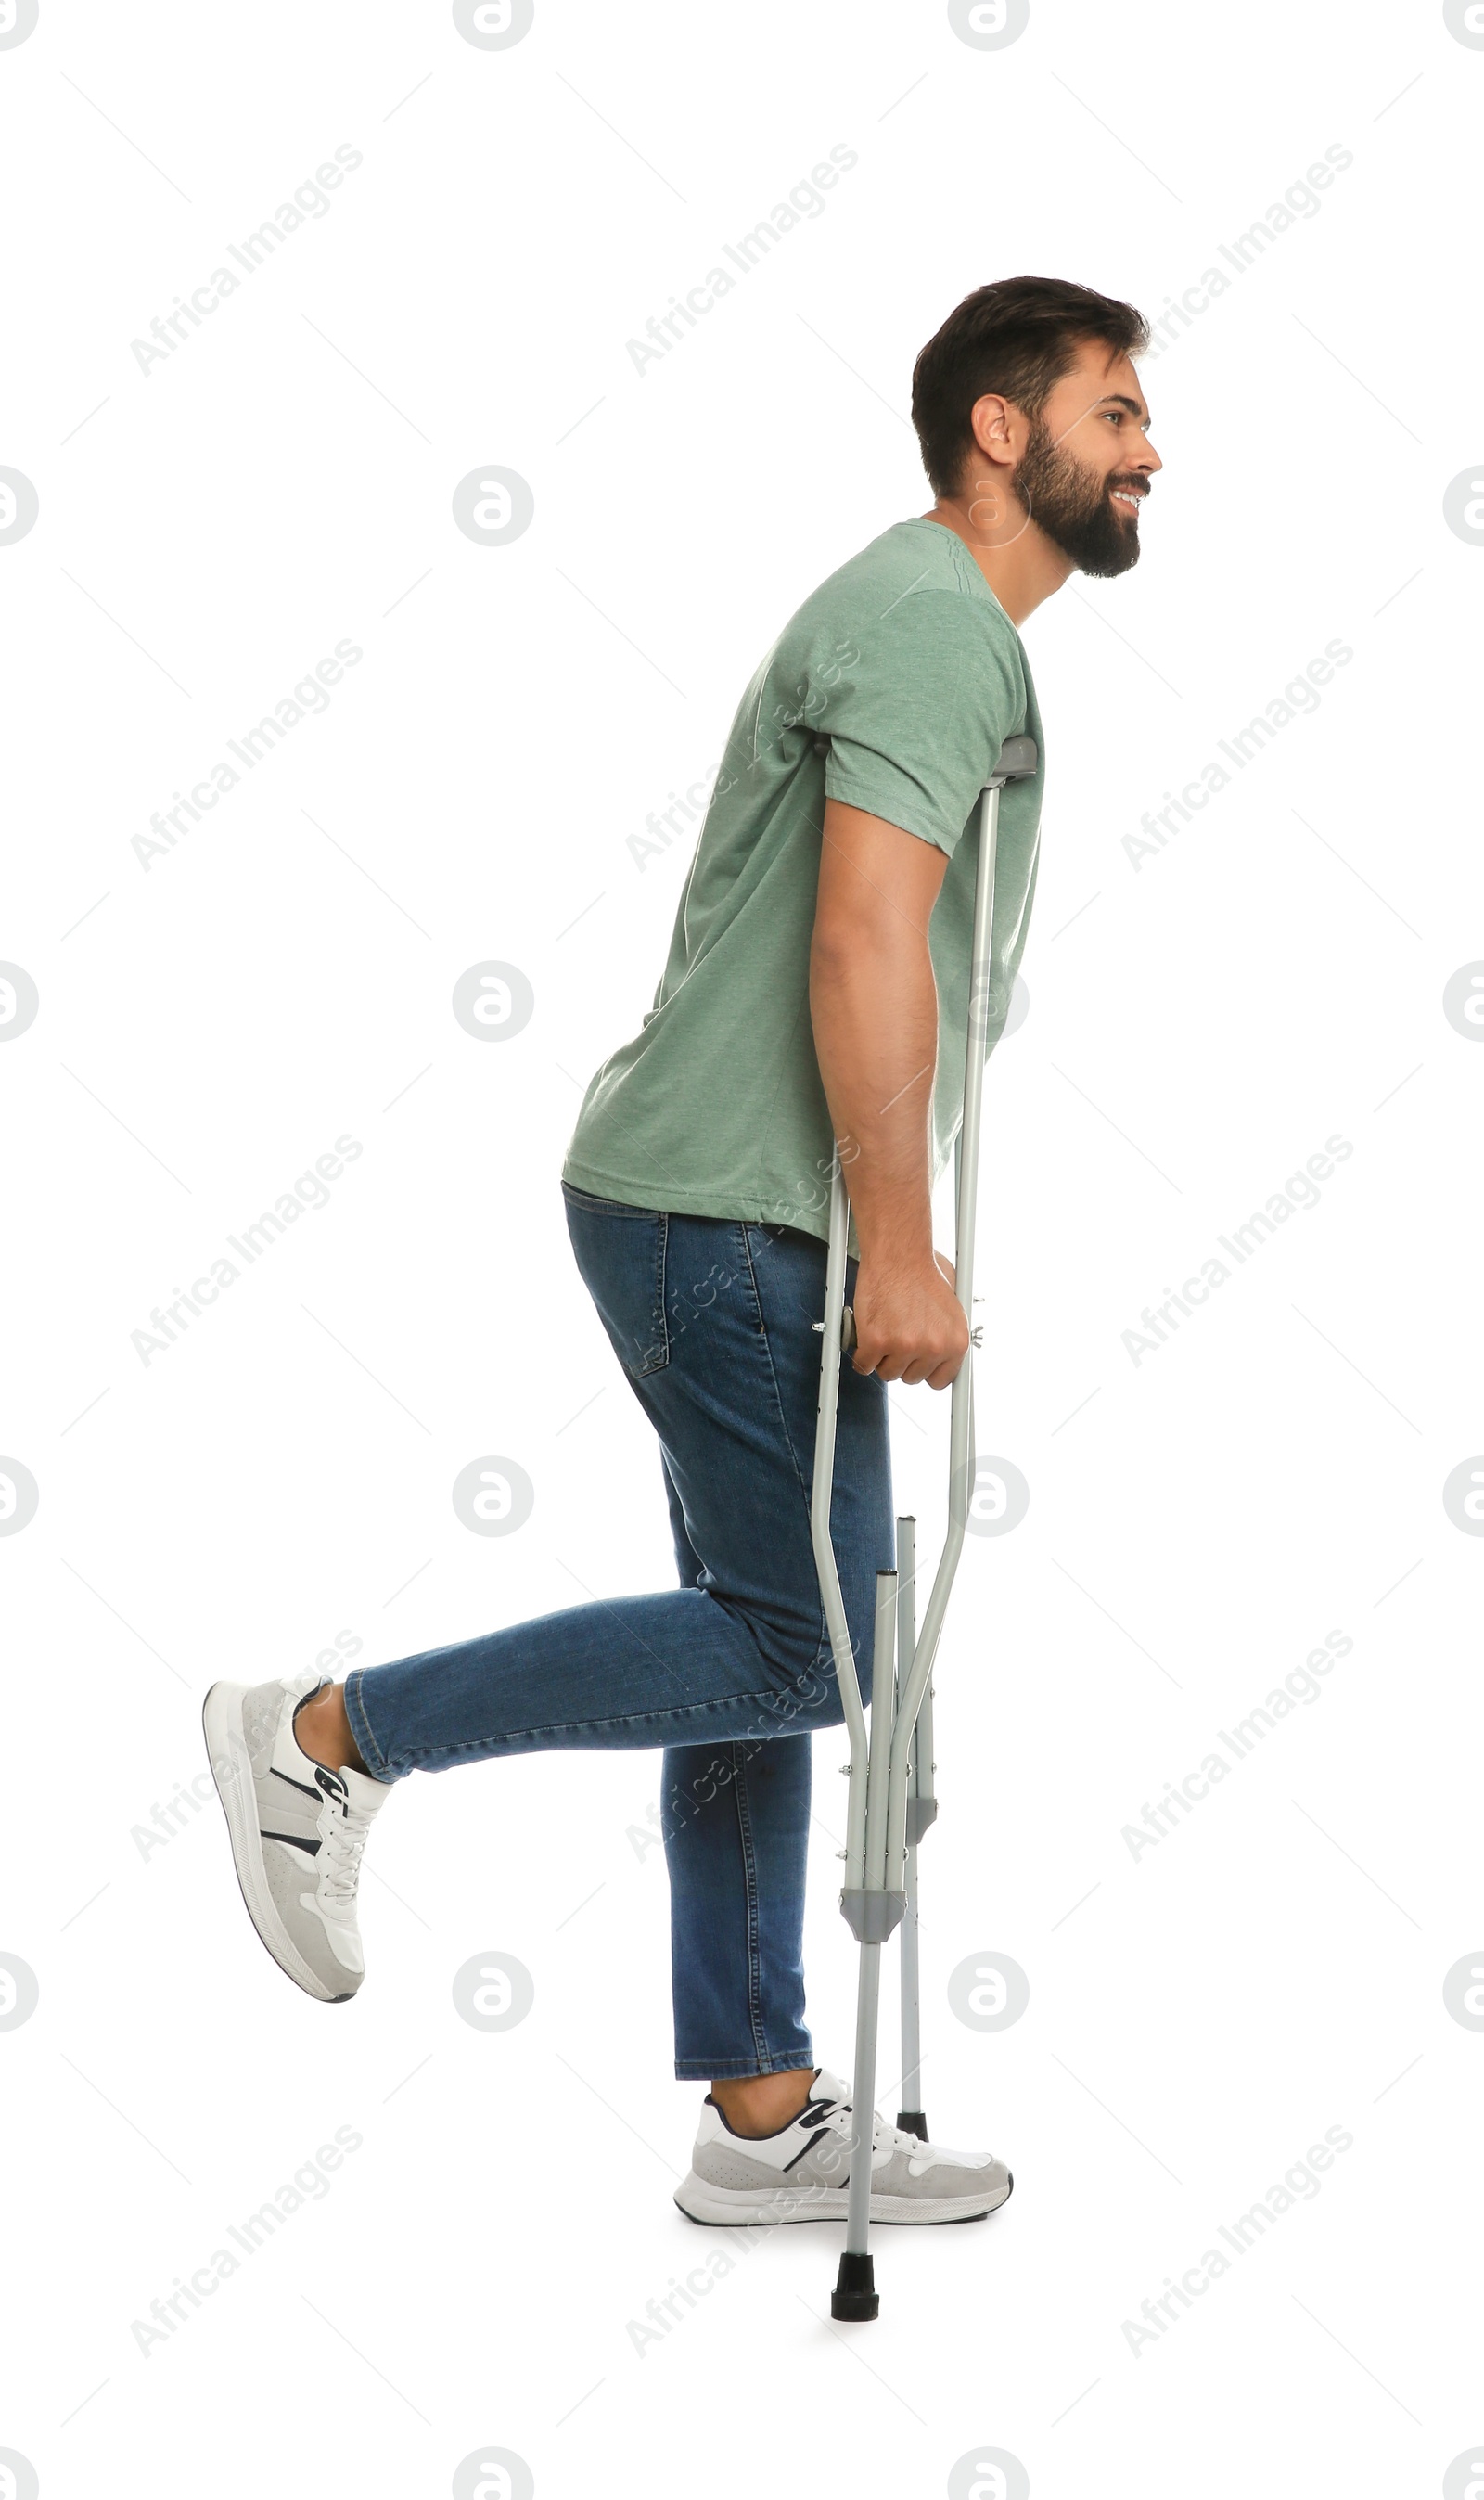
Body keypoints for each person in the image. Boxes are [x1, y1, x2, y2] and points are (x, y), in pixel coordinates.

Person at [204, 274, 1158, 2230]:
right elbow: (859, 939)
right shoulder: (927, 626)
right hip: (733, 1215)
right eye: (1115, 410)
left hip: (695, 1196)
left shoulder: (924, 621)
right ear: (1001, 430)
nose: (1150, 448)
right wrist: (893, 1246)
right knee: (807, 1641)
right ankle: (322, 1738)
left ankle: (757, 2109)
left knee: (746, 1639)